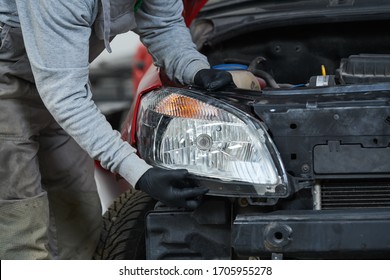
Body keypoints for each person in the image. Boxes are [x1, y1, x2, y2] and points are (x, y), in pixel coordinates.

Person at [0, 0, 233, 260]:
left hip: (59, 78)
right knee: (23, 228)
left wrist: (195, 69)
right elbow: (64, 96)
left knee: (81, 222)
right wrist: (139, 173)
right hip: (9, 86)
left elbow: (163, 25)